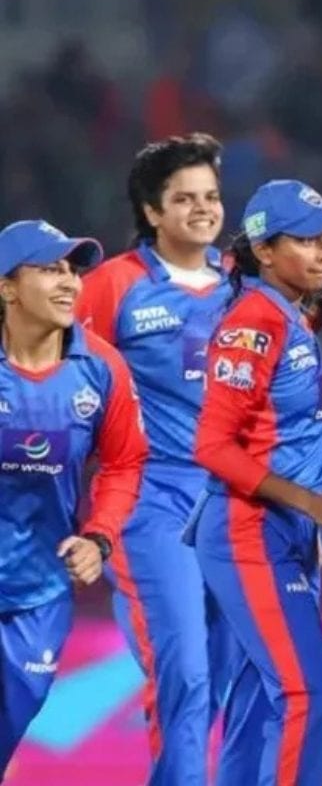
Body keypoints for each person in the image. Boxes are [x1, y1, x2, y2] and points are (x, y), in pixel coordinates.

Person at [76, 134, 322, 786]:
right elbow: (57, 367)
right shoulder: (113, 286)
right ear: (151, 211)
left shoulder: (239, 284)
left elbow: (272, 361)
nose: (203, 209)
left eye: (210, 196)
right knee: (187, 672)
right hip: (157, 498)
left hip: (244, 496)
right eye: (184, 198)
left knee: (251, 681)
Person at [187, 180, 322, 786]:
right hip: (250, 532)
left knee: (256, 708)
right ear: (265, 250)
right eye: (307, 240)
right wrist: (313, 503)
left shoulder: (282, 313)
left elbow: (281, 366)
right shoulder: (252, 322)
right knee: (307, 693)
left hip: (280, 532)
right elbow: (212, 446)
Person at [0, 220, 148, 771]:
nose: (69, 283)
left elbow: (125, 461)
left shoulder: (102, 368)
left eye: (72, 270)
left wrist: (99, 537)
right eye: (49, 270)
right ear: (7, 287)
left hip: (40, 589)